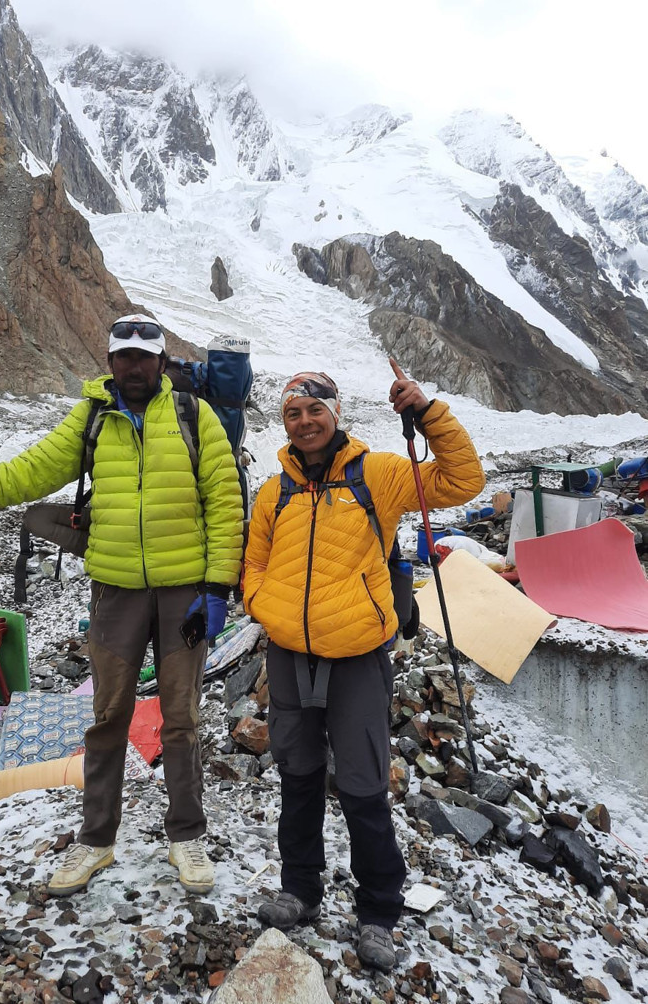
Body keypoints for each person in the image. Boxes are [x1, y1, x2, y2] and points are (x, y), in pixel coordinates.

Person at [0, 314, 243, 897]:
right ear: (110, 363)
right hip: (113, 591)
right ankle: (97, 839)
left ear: (161, 361)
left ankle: (187, 834)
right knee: (107, 719)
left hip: (185, 591)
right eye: (123, 356)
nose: (134, 366)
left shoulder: (193, 415)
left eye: (144, 356)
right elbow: (26, 473)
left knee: (181, 718)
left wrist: (217, 587)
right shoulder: (92, 421)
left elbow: (225, 502)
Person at [242, 360, 485, 972]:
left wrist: (427, 415)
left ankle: (379, 911)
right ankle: (300, 888)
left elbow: (463, 479)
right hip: (291, 655)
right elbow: (255, 561)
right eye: (293, 413)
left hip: (356, 657)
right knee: (297, 777)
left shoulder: (377, 473)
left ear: (335, 412)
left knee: (363, 787)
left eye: (314, 410)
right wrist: (262, 605)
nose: (303, 422)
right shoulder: (274, 491)